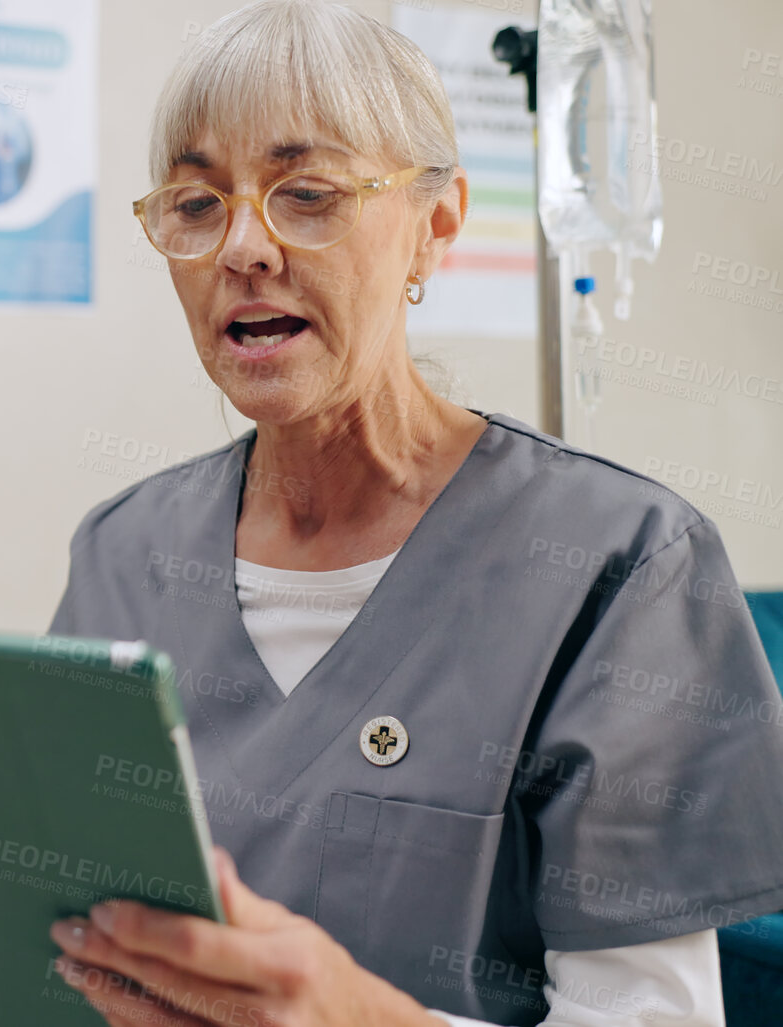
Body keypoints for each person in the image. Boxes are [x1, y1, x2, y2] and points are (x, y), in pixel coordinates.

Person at [41, 3, 783, 1026]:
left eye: (306, 193)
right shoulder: (123, 555)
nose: (243, 247)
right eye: (198, 203)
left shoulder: (622, 567)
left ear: (435, 227)